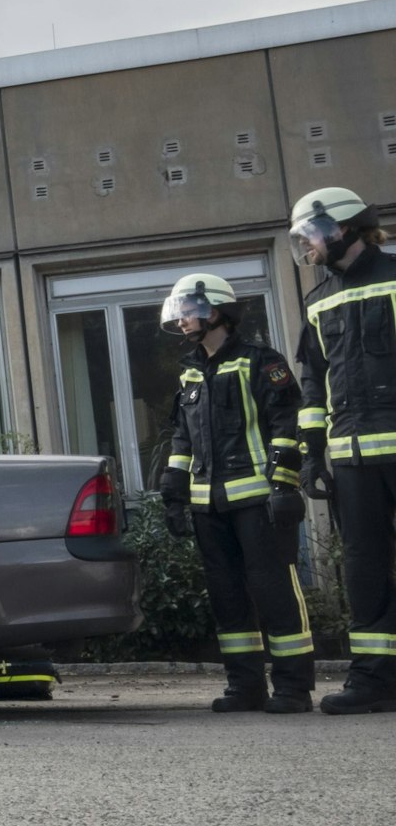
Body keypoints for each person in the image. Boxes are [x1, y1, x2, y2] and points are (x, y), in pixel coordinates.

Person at [155, 274, 312, 712]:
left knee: (274, 591)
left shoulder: (261, 362)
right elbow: (183, 439)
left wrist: (284, 484)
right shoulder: (190, 372)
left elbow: (286, 424)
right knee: (227, 598)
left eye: (189, 311)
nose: (182, 320)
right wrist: (174, 492)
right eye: (180, 312)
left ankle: (293, 688)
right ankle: (245, 687)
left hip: (258, 500)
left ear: (216, 312)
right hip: (208, 505)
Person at [289, 186, 396, 715]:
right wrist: (312, 455)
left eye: (310, 235)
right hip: (352, 458)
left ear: (343, 228)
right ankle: (375, 678)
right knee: (364, 567)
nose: (307, 247)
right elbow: (314, 386)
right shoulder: (317, 300)